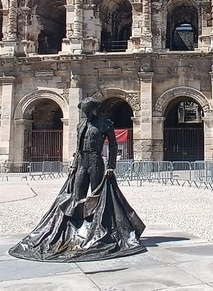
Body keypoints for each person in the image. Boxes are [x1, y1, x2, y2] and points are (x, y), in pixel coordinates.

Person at [9, 97, 145, 262]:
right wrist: (73, 164)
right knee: (76, 195)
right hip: (81, 161)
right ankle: (75, 228)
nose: (86, 113)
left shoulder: (105, 123)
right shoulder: (81, 125)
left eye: (88, 110)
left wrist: (111, 166)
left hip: (96, 161)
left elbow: (114, 146)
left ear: (94, 109)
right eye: (84, 110)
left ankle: (98, 227)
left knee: (96, 196)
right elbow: (77, 147)